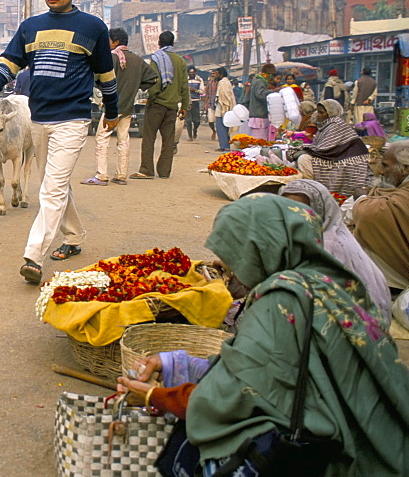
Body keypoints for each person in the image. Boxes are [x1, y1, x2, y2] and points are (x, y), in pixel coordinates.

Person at [117, 193, 409, 477]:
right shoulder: (329, 283)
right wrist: (170, 363)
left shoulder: (280, 304)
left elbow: (231, 399)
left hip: (329, 456)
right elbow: (263, 372)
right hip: (383, 439)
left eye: (232, 256)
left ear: (260, 249)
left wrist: (156, 396)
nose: (228, 270)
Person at [0, 0, 118, 284]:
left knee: (50, 189)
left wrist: (112, 111)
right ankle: (75, 236)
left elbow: (106, 75)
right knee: (57, 183)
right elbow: (8, 64)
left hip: (73, 120)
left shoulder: (93, 28)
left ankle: (33, 257)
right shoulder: (31, 27)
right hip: (39, 120)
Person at [279, 178, 391, 323]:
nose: (294, 216)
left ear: (321, 211)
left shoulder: (329, 249)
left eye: (303, 210)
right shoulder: (307, 239)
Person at [82, 27, 157, 186]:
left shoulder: (111, 58)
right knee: (124, 140)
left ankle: (102, 175)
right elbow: (152, 79)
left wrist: (102, 88)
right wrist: (136, 85)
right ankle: (121, 175)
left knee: (102, 139)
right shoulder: (138, 60)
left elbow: (96, 77)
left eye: (108, 41)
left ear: (115, 42)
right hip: (128, 107)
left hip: (112, 107)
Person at [130, 30, 188, 180]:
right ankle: (164, 171)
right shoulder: (180, 60)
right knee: (168, 140)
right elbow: (184, 86)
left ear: (159, 43)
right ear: (173, 43)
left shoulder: (156, 58)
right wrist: (185, 106)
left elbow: (154, 82)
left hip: (157, 104)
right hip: (172, 105)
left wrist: (152, 98)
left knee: (149, 137)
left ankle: (147, 170)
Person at [353, 141, 409, 291]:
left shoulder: (401, 198)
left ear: (405, 169)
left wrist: (360, 199)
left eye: (385, 165)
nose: (380, 172)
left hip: (398, 282)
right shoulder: (397, 193)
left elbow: (368, 214)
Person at [293, 99, 372, 196]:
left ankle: (313, 191)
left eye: (321, 112)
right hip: (335, 158)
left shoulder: (336, 125)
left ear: (330, 113)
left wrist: (302, 149)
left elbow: (324, 149)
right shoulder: (326, 125)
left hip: (348, 164)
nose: (318, 115)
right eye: (318, 111)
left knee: (304, 159)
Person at [246, 63, 277, 141]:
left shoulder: (256, 80)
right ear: (268, 74)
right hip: (259, 115)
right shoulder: (260, 82)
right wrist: (273, 91)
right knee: (260, 141)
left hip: (256, 114)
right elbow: (261, 95)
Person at [212, 67, 235, 151]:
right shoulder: (227, 82)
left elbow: (222, 96)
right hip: (226, 108)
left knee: (221, 127)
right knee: (225, 127)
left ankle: (224, 146)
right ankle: (226, 145)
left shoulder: (222, 83)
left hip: (222, 108)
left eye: (217, 73)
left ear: (221, 74)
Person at [185, 65, 205, 141]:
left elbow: (202, 91)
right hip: (187, 101)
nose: (191, 74)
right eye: (190, 73)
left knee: (197, 121)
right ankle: (190, 136)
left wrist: (195, 90)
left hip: (196, 101)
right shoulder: (184, 79)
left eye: (192, 73)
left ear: (195, 72)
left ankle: (195, 130)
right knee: (188, 120)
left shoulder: (199, 79)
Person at [203, 69, 219, 142]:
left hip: (219, 104)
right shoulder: (209, 83)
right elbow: (207, 94)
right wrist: (205, 104)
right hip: (210, 104)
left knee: (219, 121)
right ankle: (213, 131)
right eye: (212, 73)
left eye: (214, 73)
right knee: (210, 120)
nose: (213, 75)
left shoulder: (221, 83)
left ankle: (220, 134)